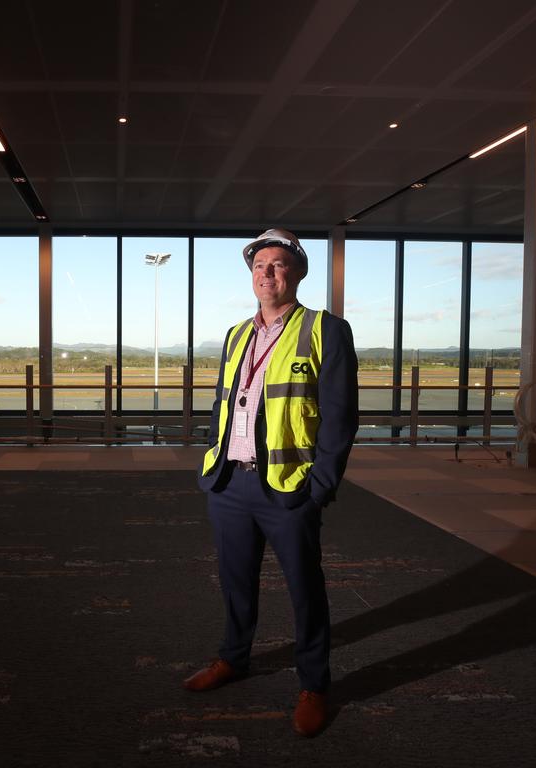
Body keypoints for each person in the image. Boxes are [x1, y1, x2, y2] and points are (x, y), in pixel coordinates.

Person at [186, 229, 358, 737]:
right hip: (229, 484)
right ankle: (234, 658)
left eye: (279, 264)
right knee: (236, 583)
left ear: (297, 273)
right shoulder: (237, 333)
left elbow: (340, 417)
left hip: (288, 487)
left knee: (305, 590)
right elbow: (225, 403)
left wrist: (319, 487)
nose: (268, 272)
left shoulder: (327, 330)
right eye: (260, 264)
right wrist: (212, 463)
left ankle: (313, 684)